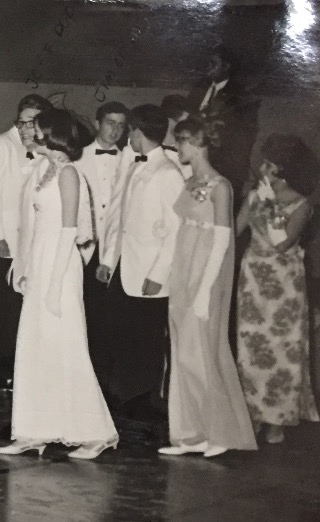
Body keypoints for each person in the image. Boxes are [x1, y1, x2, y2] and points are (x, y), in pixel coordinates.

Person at [0, 109, 117, 459]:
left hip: (61, 268)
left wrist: (52, 285)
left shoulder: (69, 174)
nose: (32, 132)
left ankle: (93, 434)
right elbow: (32, 226)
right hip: (41, 261)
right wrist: (22, 266)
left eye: (38, 128)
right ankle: (32, 432)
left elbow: (68, 232)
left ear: (54, 136)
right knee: (33, 347)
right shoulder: (41, 170)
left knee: (66, 347)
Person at [161, 117, 257, 458]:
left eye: (182, 142)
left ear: (197, 145)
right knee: (183, 353)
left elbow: (221, 243)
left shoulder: (221, 187)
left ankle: (220, 431)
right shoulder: (189, 182)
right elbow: (178, 228)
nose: (178, 148)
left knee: (203, 352)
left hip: (206, 273)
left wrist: (204, 291)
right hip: (183, 270)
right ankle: (191, 433)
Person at [96, 105, 185, 428]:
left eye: (129, 131)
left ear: (137, 131)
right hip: (125, 266)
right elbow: (119, 218)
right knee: (117, 332)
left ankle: (143, 400)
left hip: (150, 273)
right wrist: (108, 259)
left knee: (147, 339)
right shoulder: (133, 165)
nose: (126, 137)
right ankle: (122, 393)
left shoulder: (168, 173)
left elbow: (177, 230)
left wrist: (158, 274)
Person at [236, 134, 320, 445]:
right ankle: (254, 414)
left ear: (283, 173)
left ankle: (277, 419)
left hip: (284, 285)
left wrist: (270, 202)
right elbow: (234, 231)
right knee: (252, 349)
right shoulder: (255, 196)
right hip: (253, 279)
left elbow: (281, 241)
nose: (261, 167)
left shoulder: (301, 205)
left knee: (280, 351)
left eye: (269, 164)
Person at [0, 93, 52, 393]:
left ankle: (9, 369)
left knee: (19, 309)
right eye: (21, 121)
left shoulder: (41, 149)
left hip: (29, 245)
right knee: (0, 308)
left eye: (31, 122)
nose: (24, 128)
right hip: (4, 243)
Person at [74, 101, 127, 407]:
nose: (115, 130)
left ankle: (102, 385)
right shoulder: (78, 157)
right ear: (97, 122)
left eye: (121, 125)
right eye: (110, 122)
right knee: (82, 316)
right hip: (83, 249)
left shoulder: (130, 160)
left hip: (113, 250)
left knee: (107, 320)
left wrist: (110, 257)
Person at [187, 46, 259, 199]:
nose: (208, 68)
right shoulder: (199, 88)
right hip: (198, 161)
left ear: (227, 66)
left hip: (225, 167)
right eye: (207, 63)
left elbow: (244, 137)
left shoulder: (240, 96)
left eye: (214, 64)